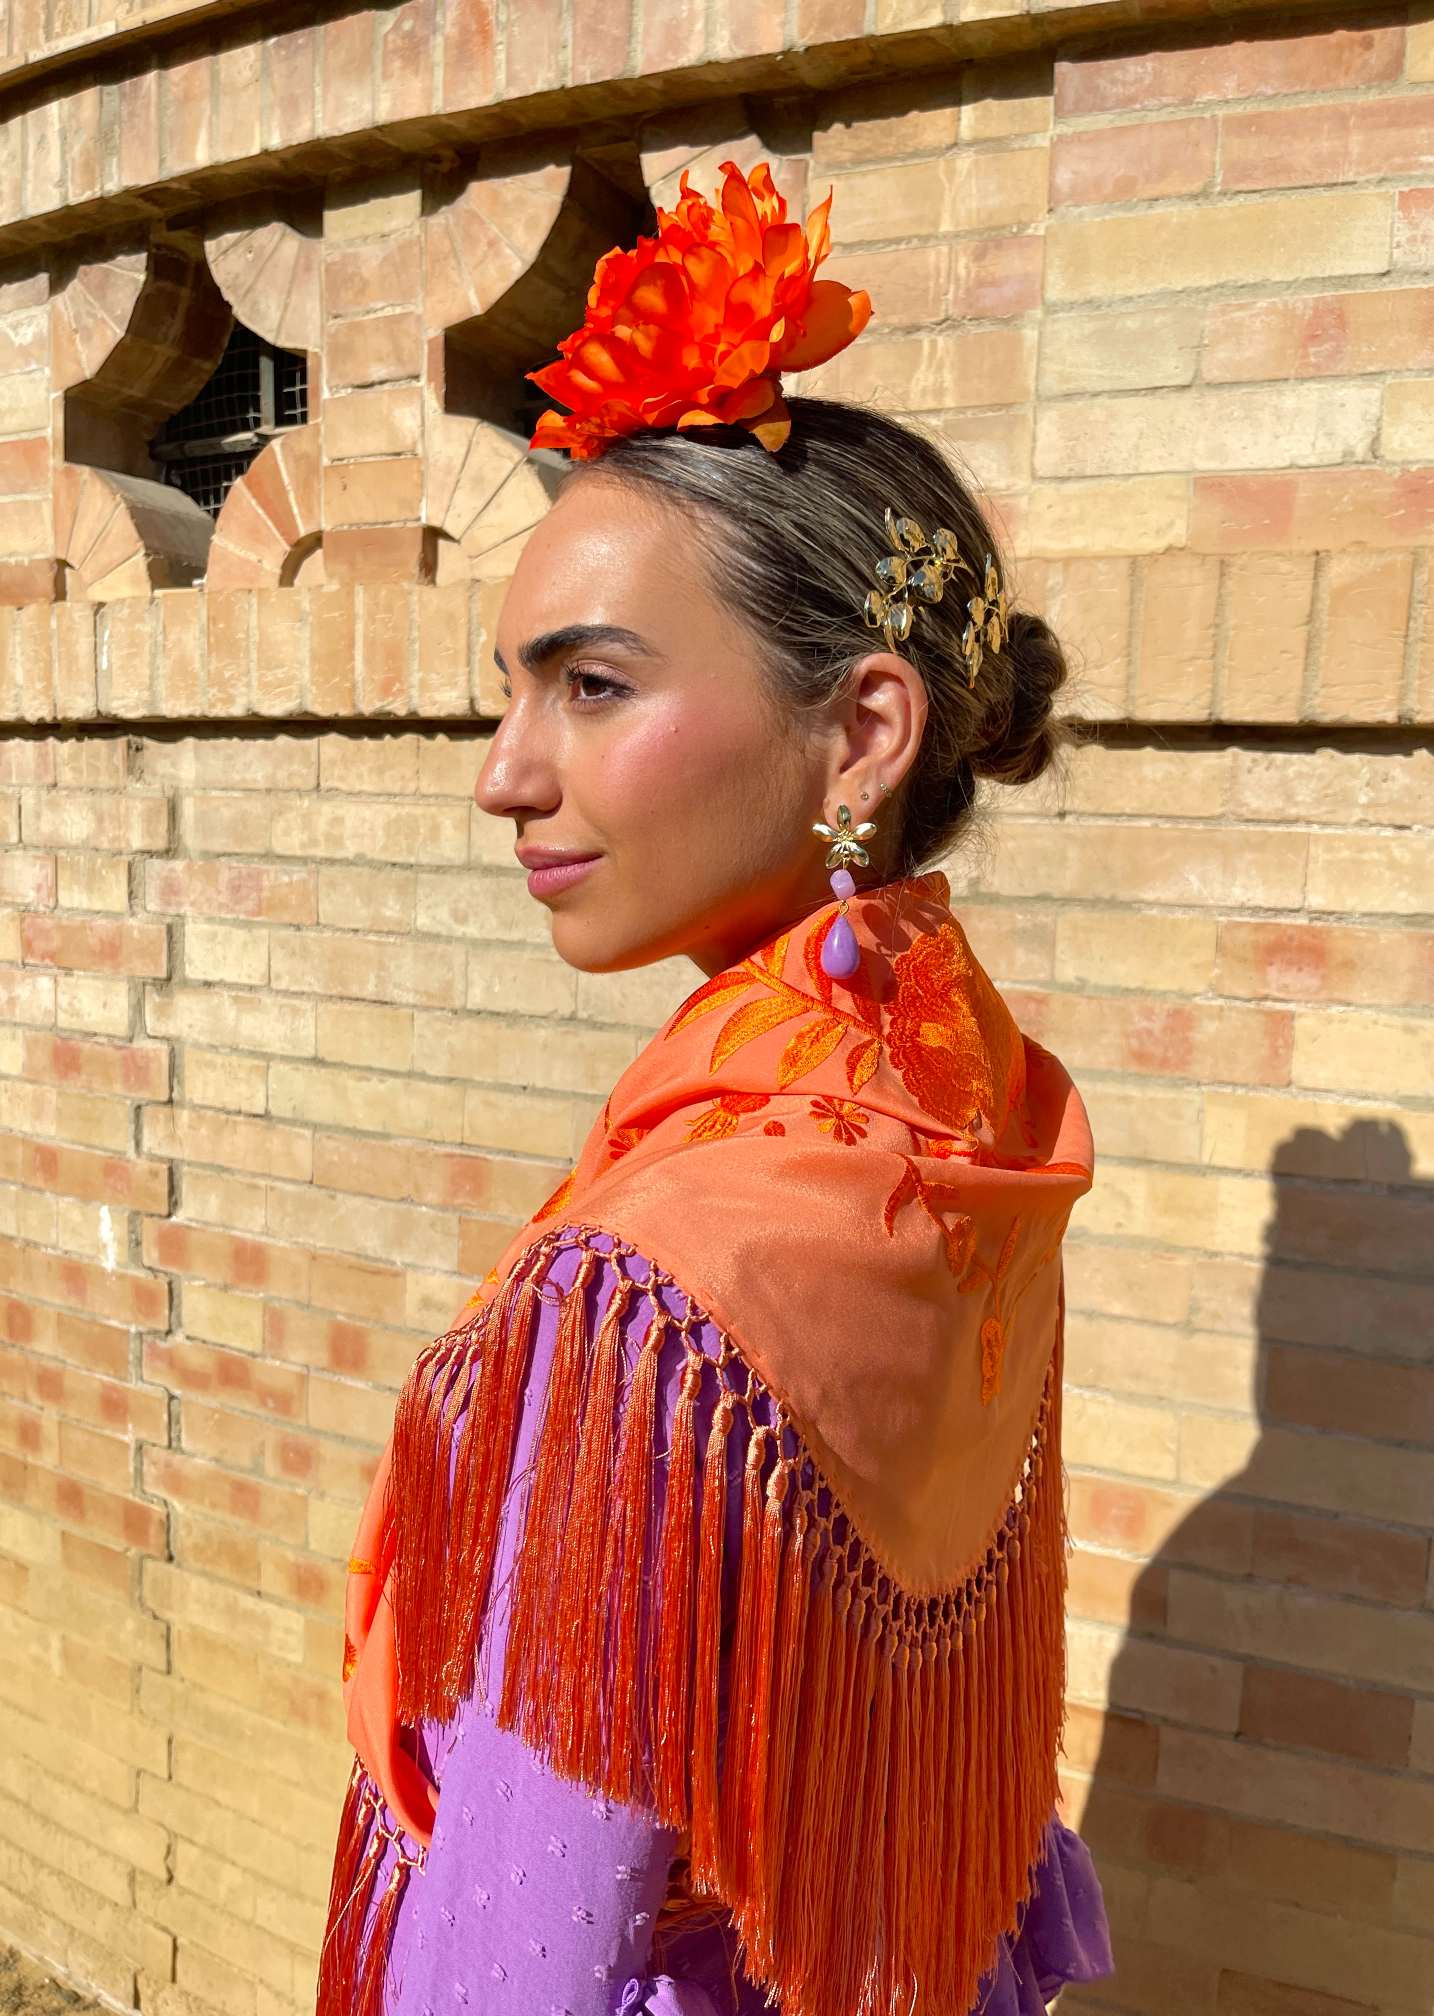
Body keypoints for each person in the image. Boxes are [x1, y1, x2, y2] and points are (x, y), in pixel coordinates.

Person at [318, 158, 1115, 2016]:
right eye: (508, 696)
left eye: (590, 687)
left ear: (861, 729)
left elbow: (524, 1950)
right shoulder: (971, 1097)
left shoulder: (673, 1282)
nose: (507, 775)